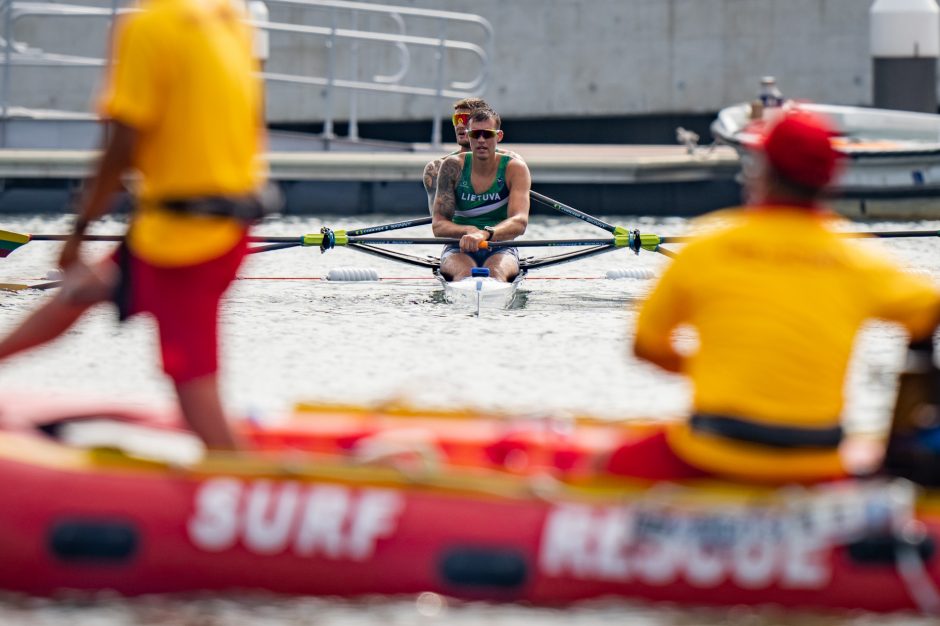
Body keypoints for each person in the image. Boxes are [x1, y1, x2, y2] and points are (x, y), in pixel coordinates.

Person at [604, 110, 940, 484]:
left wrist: (721, 366)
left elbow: (645, 346)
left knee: (603, 467)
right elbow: (929, 310)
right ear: (830, 181)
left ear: (762, 173)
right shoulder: (860, 259)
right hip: (817, 458)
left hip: (714, 449)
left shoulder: (707, 244)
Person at [0, 0, 267, 450]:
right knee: (79, 294)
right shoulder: (225, 15)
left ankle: (246, 487)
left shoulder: (149, 25)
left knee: (193, 393)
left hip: (187, 242)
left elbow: (121, 143)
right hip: (203, 224)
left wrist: (78, 233)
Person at [431, 107, 532, 283]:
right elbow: (438, 226)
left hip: (501, 247)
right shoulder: (452, 167)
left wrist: (484, 234)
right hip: (458, 248)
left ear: (498, 136)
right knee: (466, 275)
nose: (481, 140)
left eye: (487, 134)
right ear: (468, 136)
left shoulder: (515, 168)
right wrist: (468, 231)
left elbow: (520, 222)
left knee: (495, 275)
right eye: (475, 134)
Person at [422, 97, 523, 215]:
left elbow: (518, 218)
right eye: (456, 119)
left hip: (497, 231)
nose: (459, 125)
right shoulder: (437, 168)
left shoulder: (511, 162)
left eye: (464, 119)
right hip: (460, 232)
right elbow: (438, 221)